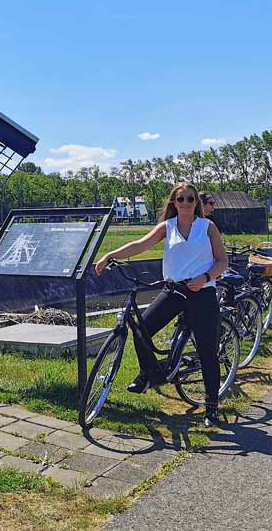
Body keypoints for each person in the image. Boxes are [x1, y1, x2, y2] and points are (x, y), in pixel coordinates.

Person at [94, 183, 228, 427]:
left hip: (202, 293)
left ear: (196, 202)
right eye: (180, 199)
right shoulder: (168, 227)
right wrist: (109, 255)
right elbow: (140, 245)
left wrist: (205, 278)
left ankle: (211, 406)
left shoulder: (207, 227)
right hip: (174, 290)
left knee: (208, 351)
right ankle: (150, 374)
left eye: (190, 199)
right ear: (173, 203)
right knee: (141, 329)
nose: (185, 203)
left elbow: (222, 261)